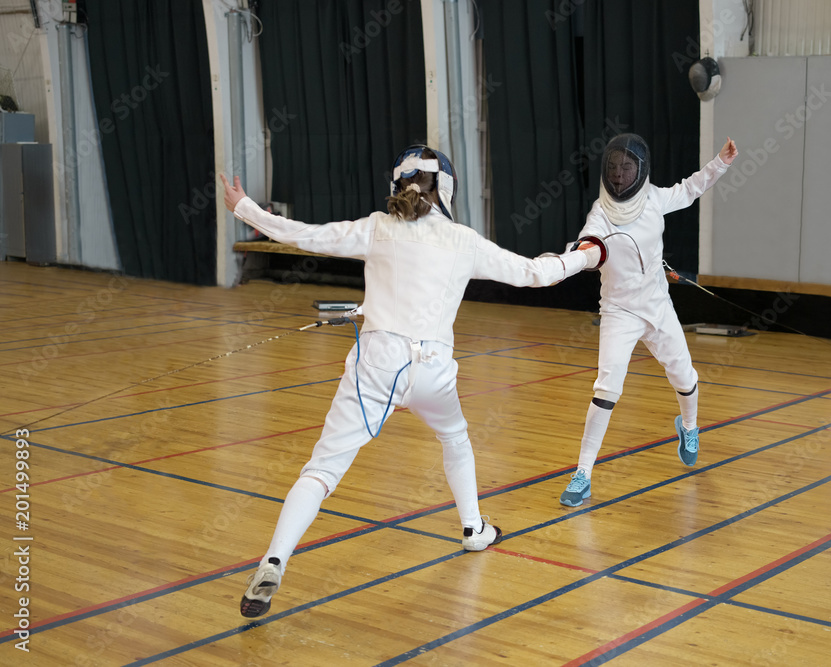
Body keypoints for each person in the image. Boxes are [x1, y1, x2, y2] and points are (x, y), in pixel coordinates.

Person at [220, 145, 602, 617]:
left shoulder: (376, 228)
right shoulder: (463, 239)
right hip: (433, 372)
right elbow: (534, 274)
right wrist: (587, 256)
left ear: (399, 185)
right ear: (447, 188)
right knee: (456, 437)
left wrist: (245, 208)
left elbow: (304, 236)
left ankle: (274, 560)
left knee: (321, 471)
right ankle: (472, 529)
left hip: (375, 367)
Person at [559, 134, 738, 507]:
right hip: (619, 313)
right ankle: (583, 473)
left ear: (640, 170)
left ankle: (689, 428)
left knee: (685, 377)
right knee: (606, 391)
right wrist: (571, 259)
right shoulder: (601, 212)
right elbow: (590, 247)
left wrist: (720, 162)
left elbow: (690, 189)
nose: (620, 175)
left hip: (657, 307)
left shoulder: (655, 198)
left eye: (627, 168)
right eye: (613, 168)